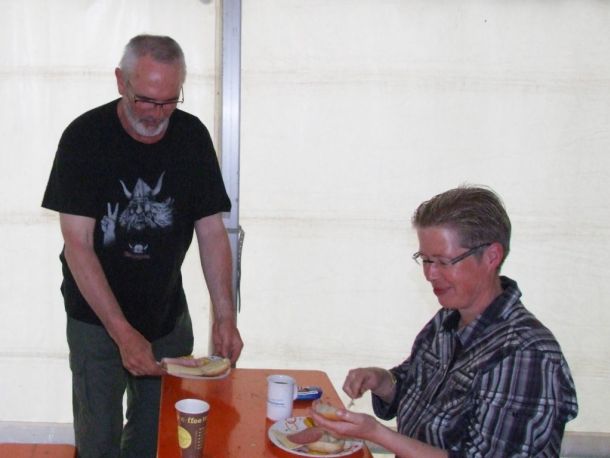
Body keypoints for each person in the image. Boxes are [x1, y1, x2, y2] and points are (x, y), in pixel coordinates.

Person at [42, 34, 243, 457]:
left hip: (166, 317)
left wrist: (225, 317)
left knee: (159, 437)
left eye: (169, 101)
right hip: (96, 321)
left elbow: (211, 230)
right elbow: (78, 245)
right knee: (99, 440)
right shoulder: (84, 139)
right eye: (146, 100)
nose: (157, 113)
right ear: (121, 81)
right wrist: (122, 333)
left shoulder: (191, 138)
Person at [312, 186, 578, 457]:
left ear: (492, 256)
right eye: (425, 260)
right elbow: (414, 395)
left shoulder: (525, 352)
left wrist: (377, 433)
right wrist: (382, 381)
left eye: (443, 261)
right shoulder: (447, 320)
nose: (430, 274)